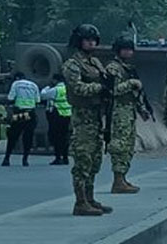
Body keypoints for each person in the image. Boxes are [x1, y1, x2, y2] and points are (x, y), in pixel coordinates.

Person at [61, 24, 113, 216]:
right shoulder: (72, 65)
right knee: (83, 160)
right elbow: (77, 88)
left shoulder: (96, 63)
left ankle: (90, 198)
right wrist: (100, 88)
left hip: (97, 117)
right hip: (82, 117)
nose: (91, 42)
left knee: (95, 160)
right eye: (87, 39)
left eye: (94, 39)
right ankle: (80, 202)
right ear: (79, 41)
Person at [105, 36, 152, 194]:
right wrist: (131, 83)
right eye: (125, 49)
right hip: (119, 111)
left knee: (129, 146)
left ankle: (122, 178)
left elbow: (135, 94)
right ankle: (118, 180)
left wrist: (141, 109)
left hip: (129, 110)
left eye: (130, 49)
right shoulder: (113, 68)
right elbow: (113, 90)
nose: (128, 52)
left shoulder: (128, 68)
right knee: (120, 145)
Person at [2, 72, 39, 167]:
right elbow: (37, 100)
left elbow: (11, 97)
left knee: (13, 135)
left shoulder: (16, 84)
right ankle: (25, 159)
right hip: (31, 113)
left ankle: (7, 158)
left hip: (20, 114)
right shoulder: (33, 85)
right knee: (28, 137)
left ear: (17, 78)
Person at [41, 74, 71, 166]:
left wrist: (45, 88)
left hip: (57, 115)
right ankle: (65, 158)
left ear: (55, 80)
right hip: (67, 114)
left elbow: (43, 95)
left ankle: (58, 157)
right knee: (65, 137)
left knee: (56, 137)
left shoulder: (55, 89)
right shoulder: (67, 89)